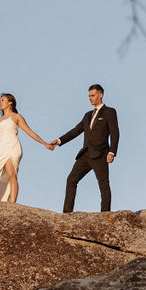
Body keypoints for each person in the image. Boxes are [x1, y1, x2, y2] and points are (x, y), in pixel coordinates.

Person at [53, 84, 119, 212]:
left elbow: (115, 133)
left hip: (100, 154)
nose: (90, 98)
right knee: (71, 180)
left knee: (103, 185)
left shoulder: (109, 112)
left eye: (93, 95)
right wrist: (59, 141)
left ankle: (105, 215)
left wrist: (112, 152)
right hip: (85, 154)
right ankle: (67, 214)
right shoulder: (87, 115)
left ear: (100, 95)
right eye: (89, 96)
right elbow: (75, 131)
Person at [0, 93, 53, 204]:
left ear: (10, 102)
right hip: (1, 148)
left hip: (12, 146)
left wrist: (44, 143)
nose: (0, 102)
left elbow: (29, 131)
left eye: (3, 100)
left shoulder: (16, 117)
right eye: (0, 100)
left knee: (11, 174)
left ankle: (12, 203)